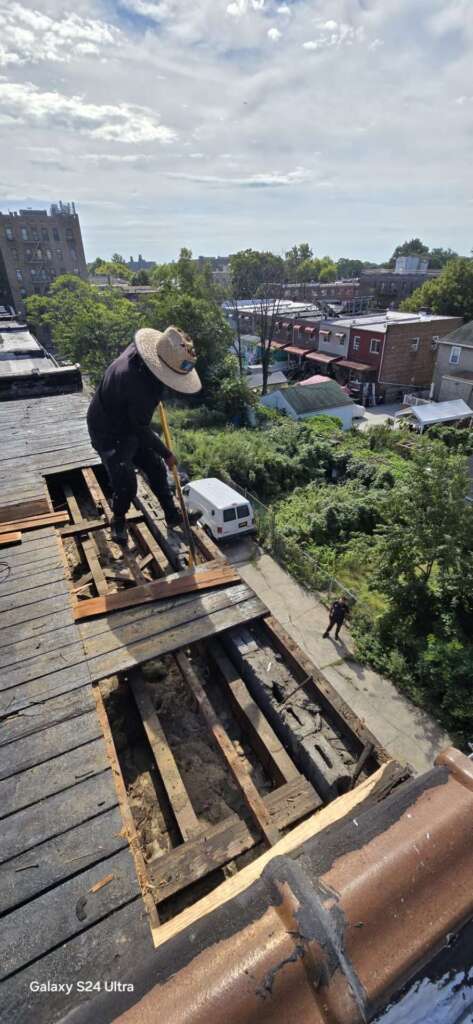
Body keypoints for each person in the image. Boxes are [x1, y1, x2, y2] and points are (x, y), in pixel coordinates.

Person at [87, 325, 201, 545]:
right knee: (126, 482)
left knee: (155, 467)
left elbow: (138, 425)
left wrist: (161, 456)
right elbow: (141, 428)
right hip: (108, 430)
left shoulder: (145, 356)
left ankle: (171, 513)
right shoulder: (139, 387)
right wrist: (167, 453)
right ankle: (118, 520)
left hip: (127, 418)